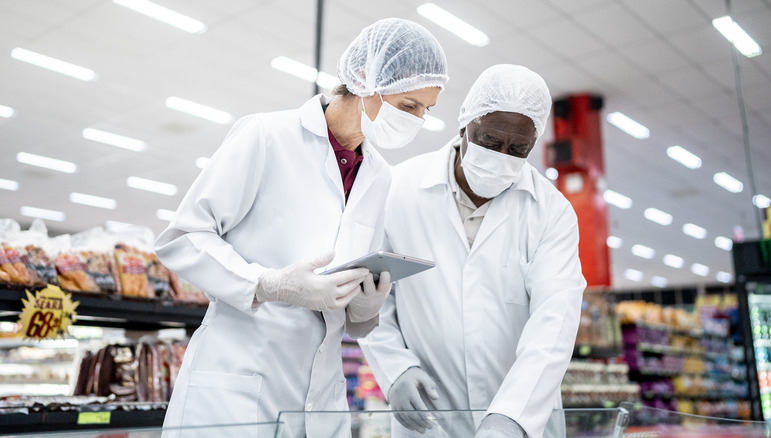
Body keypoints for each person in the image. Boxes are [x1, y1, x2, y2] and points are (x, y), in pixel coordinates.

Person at [154, 18, 448, 438]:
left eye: (426, 110)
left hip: (321, 401)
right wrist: (268, 284)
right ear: (364, 79)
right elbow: (183, 238)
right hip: (238, 389)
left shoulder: (379, 176)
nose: (419, 120)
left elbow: (340, 289)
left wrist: (363, 310)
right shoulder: (266, 135)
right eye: (409, 106)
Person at [358, 64, 586, 438]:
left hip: (520, 422)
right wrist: (395, 368)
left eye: (518, 149)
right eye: (491, 142)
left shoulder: (551, 211)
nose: (502, 156)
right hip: (431, 417)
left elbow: (555, 324)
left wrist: (513, 416)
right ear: (464, 126)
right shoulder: (399, 188)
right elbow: (373, 294)